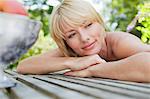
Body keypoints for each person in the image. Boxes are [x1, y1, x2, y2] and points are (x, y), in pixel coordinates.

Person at [16, 0, 150, 82]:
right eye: (72, 34)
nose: (84, 38)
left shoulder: (120, 42)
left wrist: (93, 70)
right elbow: (23, 66)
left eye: (88, 25)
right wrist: (73, 62)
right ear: (65, 42)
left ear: (99, 22)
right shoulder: (72, 51)